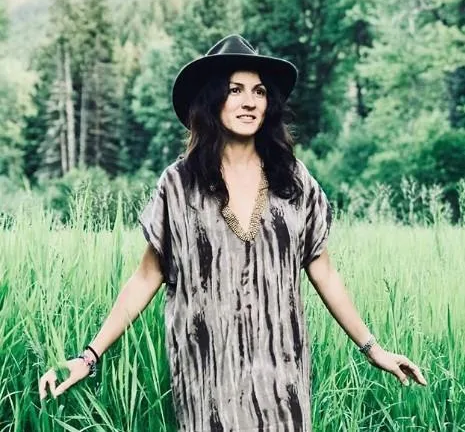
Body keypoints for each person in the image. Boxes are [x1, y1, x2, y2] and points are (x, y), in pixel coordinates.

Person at [39, 34, 427, 430]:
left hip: (282, 384)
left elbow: (323, 271)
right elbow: (147, 276)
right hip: (207, 384)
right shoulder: (179, 185)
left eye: (259, 91)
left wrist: (373, 348)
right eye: (235, 90)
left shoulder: (294, 181)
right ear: (212, 101)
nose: (249, 101)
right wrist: (88, 357)